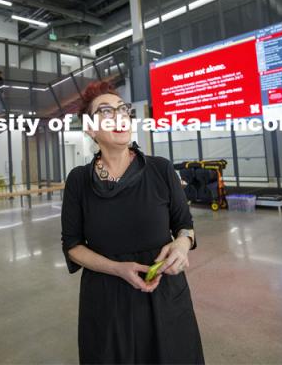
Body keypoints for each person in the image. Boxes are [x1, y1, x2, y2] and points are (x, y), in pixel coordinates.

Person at [61, 81, 204, 364]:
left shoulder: (160, 169)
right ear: (90, 129)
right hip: (107, 302)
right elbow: (73, 246)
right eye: (106, 112)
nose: (119, 117)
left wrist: (181, 246)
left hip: (164, 295)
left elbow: (185, 226)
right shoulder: (79, 181)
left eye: (123, 110)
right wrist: (117, 268)